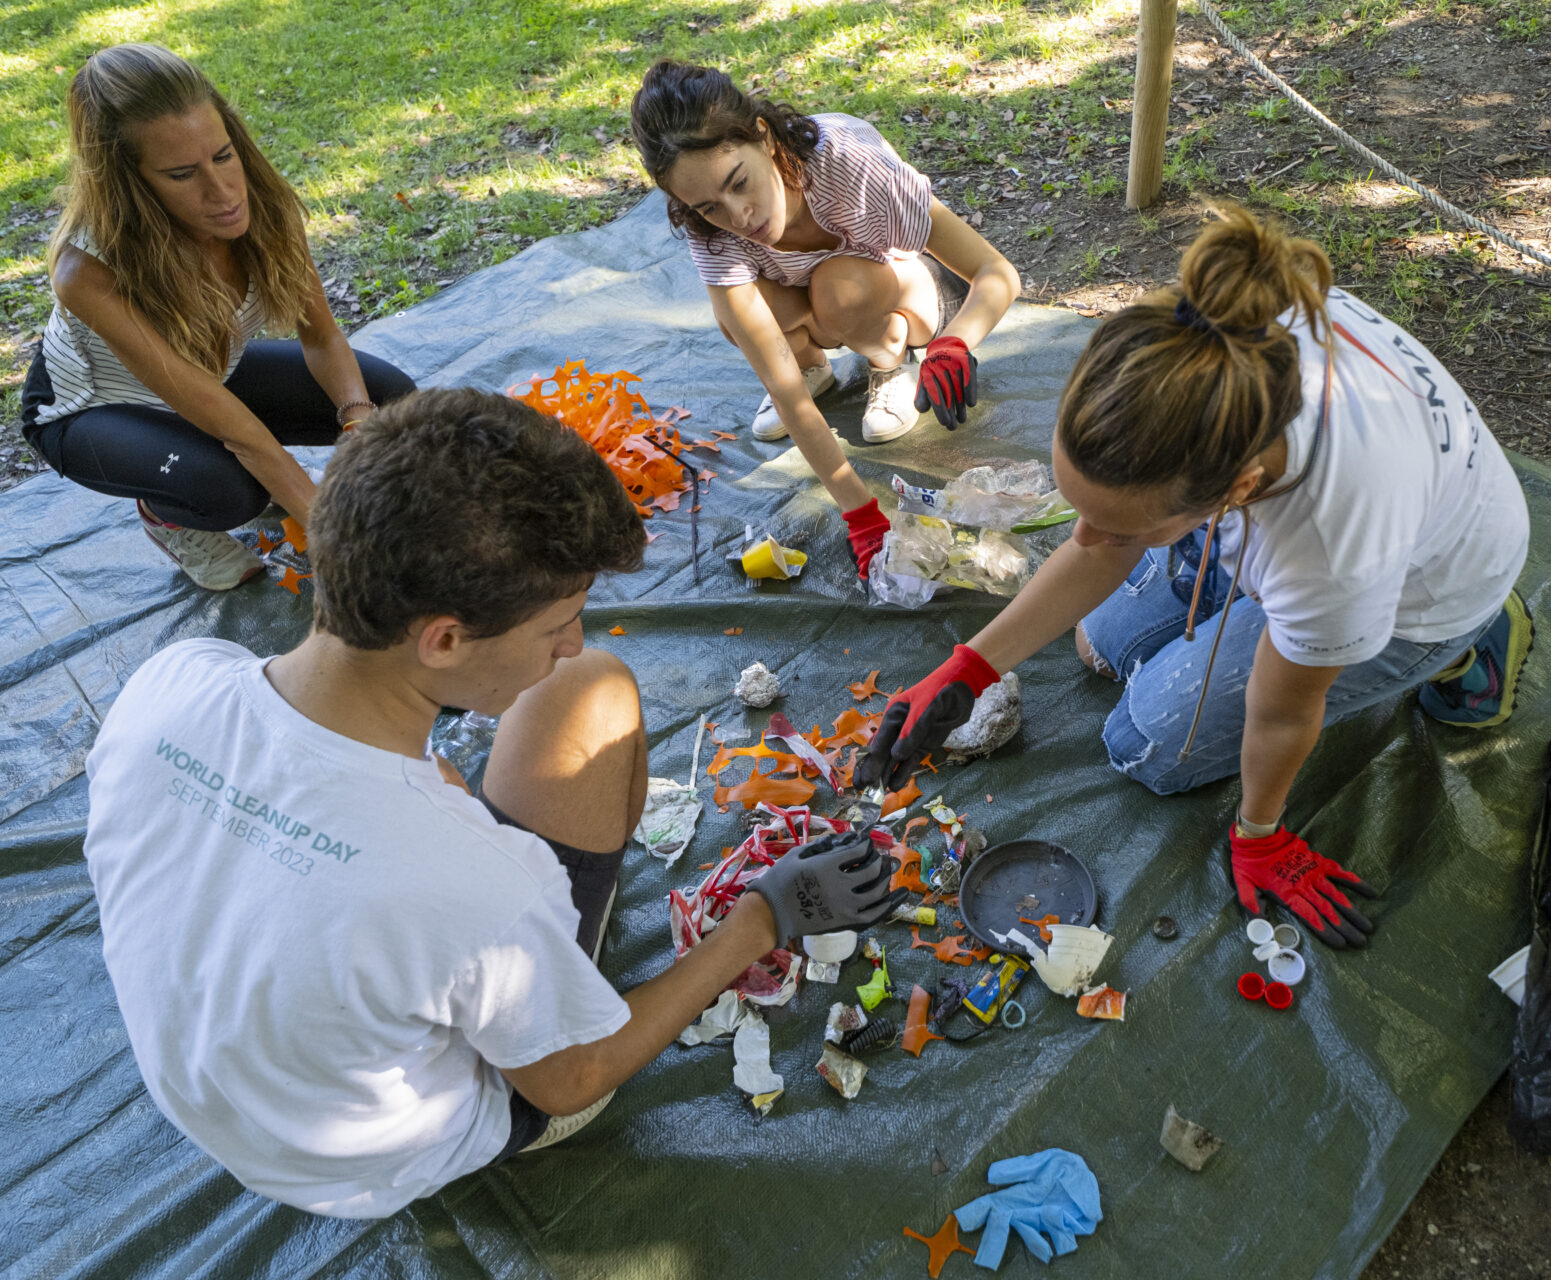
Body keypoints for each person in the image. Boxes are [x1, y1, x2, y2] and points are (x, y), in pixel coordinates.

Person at [82, 388, 904, 1218]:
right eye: (560, 622)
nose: (570, 642)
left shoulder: (172, 678)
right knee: (595, 690)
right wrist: (761, 919)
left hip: (225, 1097)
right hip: (369, 1164)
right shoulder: (476, 883)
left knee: (573, 693)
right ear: (442, 639)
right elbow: (567, 1078)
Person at [856, 205, 1534, 951]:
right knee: (1099, 647)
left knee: (1146, 743)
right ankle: (1232, 592)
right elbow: (1096, 546)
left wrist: (1261, 836)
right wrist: (967, 668)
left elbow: (1284, 716)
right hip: (1294, 530)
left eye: (1120, 525)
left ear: (1234, 492)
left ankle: (1473, 642)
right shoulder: (1205, 341)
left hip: (1422, 590)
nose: (1086, 538)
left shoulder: (1333, 545)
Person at [20, 43, 415, 592]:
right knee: (230, 491)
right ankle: (166, 513)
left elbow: (322, 338)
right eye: (182, 174)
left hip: (209, 373)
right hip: (92, 410)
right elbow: (240, 433)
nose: (224, 192)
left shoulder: (262, 203)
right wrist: (331, 529)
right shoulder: (85, 271)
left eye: (223, 156)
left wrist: (359, 422)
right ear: (130, 184)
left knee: (393, 401)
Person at [629, 60, 1022, 578]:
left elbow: (996, 272)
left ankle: (889, 358)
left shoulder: (849, 165)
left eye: (739, 182)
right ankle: (815, 365)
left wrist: (956, 343)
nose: (739, 216)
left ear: (764, 137)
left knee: (838, 288)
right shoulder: (711, 232)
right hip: (812, 303)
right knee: (739, 319)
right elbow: (781, 388)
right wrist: (860, 512)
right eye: (708, 207)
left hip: (905, 288)